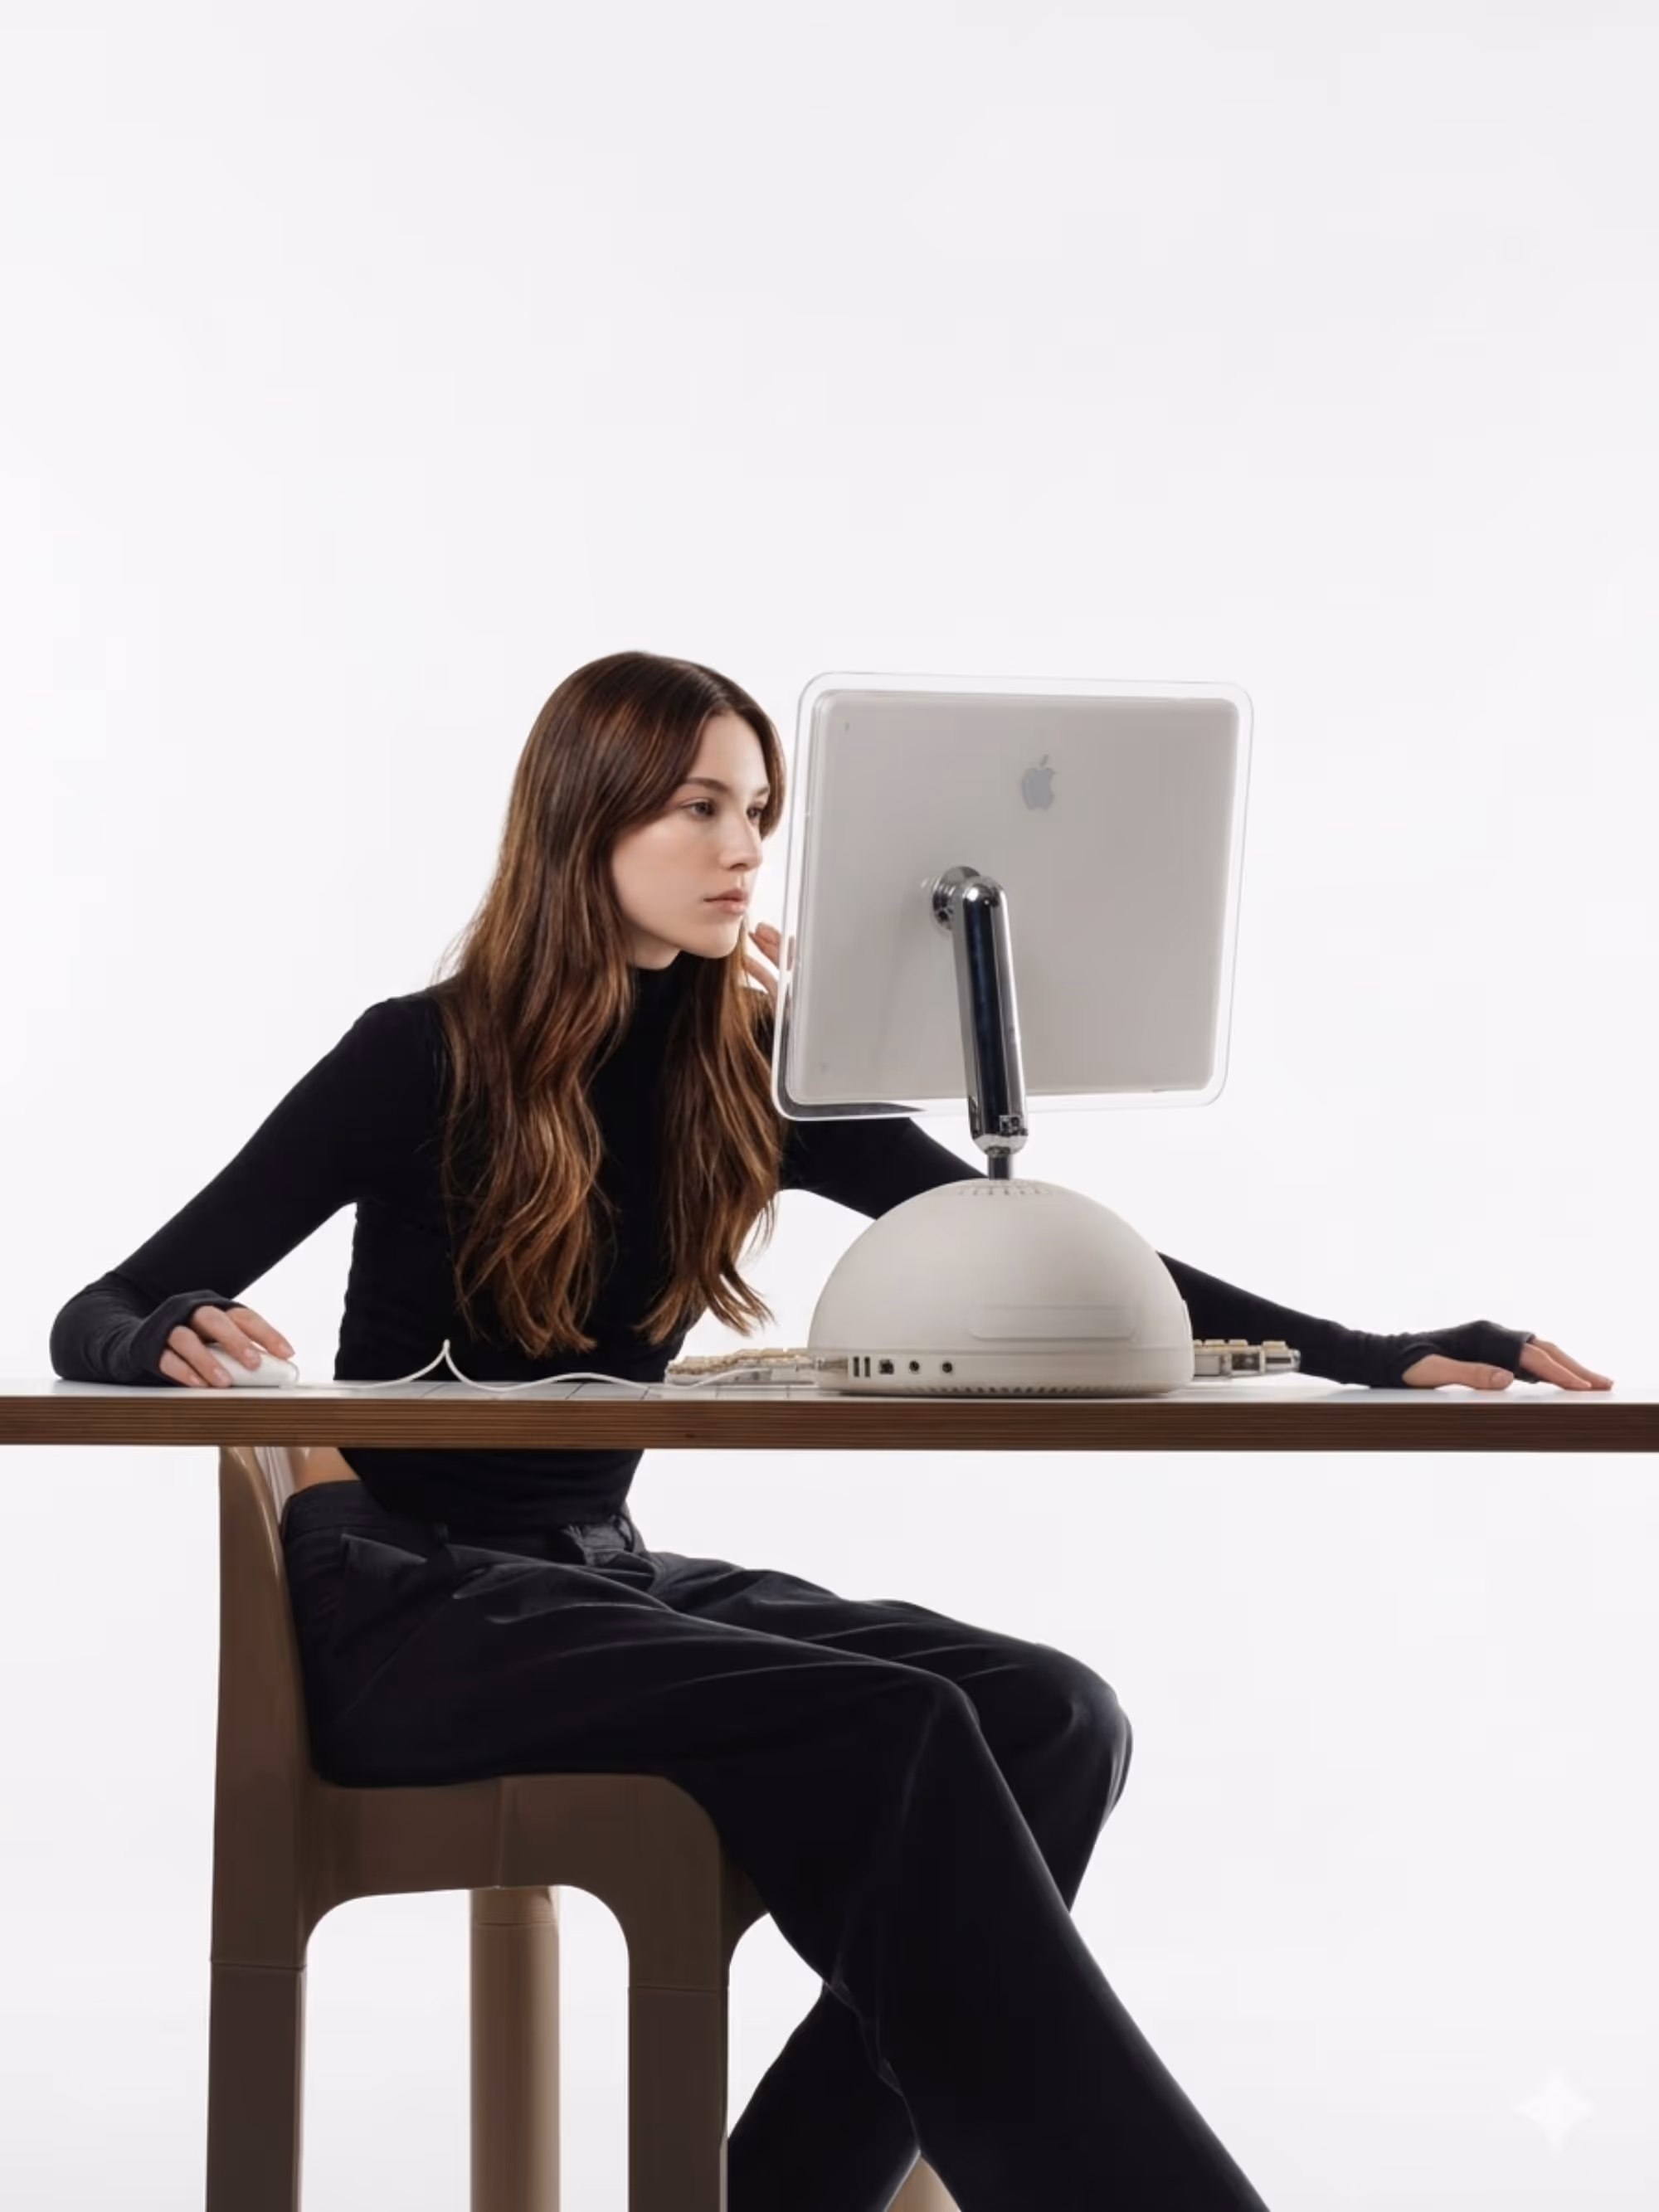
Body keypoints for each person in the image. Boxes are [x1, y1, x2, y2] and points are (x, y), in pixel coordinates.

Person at [50, 650, 1612, 2212]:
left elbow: (1066, 1258)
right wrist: (150, 1332)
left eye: (760, 812)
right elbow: (106, 1301)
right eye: (698, 808)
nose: (743, 849)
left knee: (1051, 1715)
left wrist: (1369, 1352)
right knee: (899, 1727)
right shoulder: (422, 1051)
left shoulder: (754, 1064)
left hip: (596, 1579)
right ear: (584, 822)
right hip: (408, 1612)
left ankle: (789, 2192)